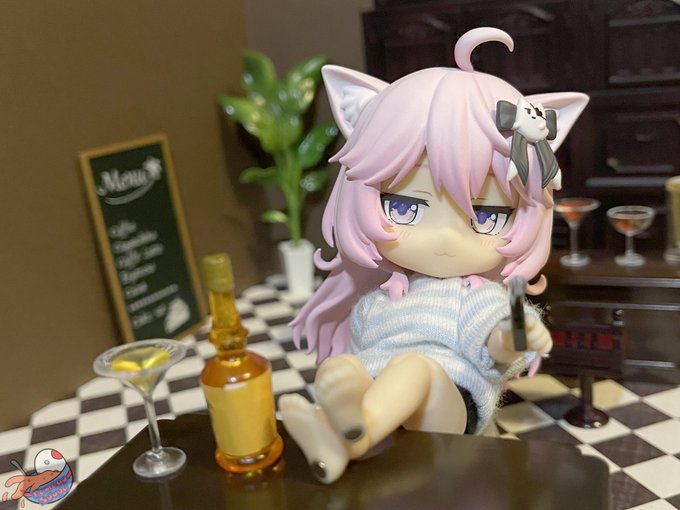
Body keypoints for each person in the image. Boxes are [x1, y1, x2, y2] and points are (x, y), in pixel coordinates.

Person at [278, 27, 589, 484]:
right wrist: (347, 373)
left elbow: (498, 346)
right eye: (404, 207)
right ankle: (339, 433)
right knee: (346, 367)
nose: (444, 237)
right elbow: (365, 348)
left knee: (413, 370)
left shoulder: (475, 297)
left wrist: (516, 335)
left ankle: (354, 435)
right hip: (391, 415)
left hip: (453, 409)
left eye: (487, 215)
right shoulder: (380, 300)